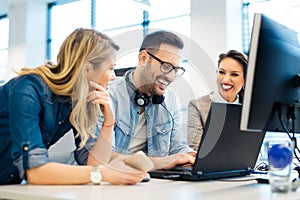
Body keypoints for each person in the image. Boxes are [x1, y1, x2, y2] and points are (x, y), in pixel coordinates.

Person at [0, 28, 148, 185]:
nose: (113, 77)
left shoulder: (80, 100)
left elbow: (92, 163)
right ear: (86, 69)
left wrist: (108, 122)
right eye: (110, 68)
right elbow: (35, 172)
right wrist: (103, 173)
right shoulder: (28, 89)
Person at [101, 30, 195, 170]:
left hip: (146, 181)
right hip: (103, 181)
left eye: (176, 69)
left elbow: (176, 146)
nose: (170, 76)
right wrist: (158, 163)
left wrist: (196, 158)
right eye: (166, 66)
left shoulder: (171, 100)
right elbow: (96, 156)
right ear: (143, 58)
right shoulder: (108, 94)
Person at [187, 50, 248, 151]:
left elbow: (254, 152)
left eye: (234, 74)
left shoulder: (248, 110)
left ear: (245, 80)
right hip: (209, 167)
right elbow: (195, 150)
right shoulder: (197, 106)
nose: (225, 79)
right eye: (221, 72)